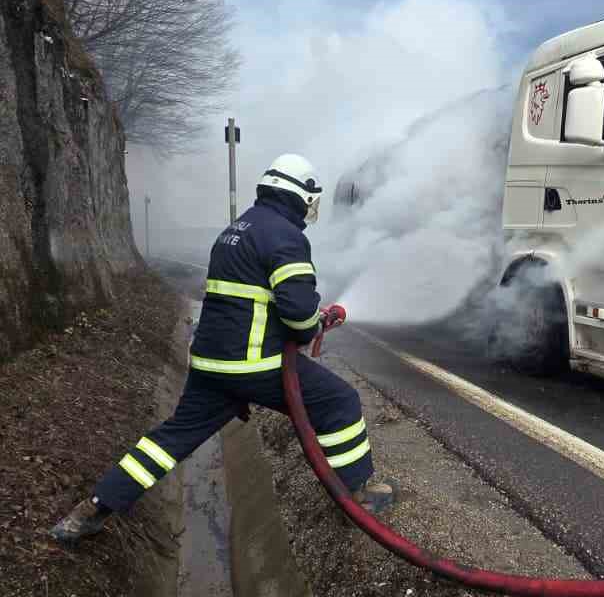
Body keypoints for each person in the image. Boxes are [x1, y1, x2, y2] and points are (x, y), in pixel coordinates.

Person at [51, 153, 395, 543]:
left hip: (209, 364)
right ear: (300, 196)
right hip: (252, 365)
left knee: (171, 439)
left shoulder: (237, 229)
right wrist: (313, 324)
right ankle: (357, 496)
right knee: (340, 401)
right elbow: (298, 315)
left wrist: (308, 320)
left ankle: (93, 509)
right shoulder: (286, 236)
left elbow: (253, 301)